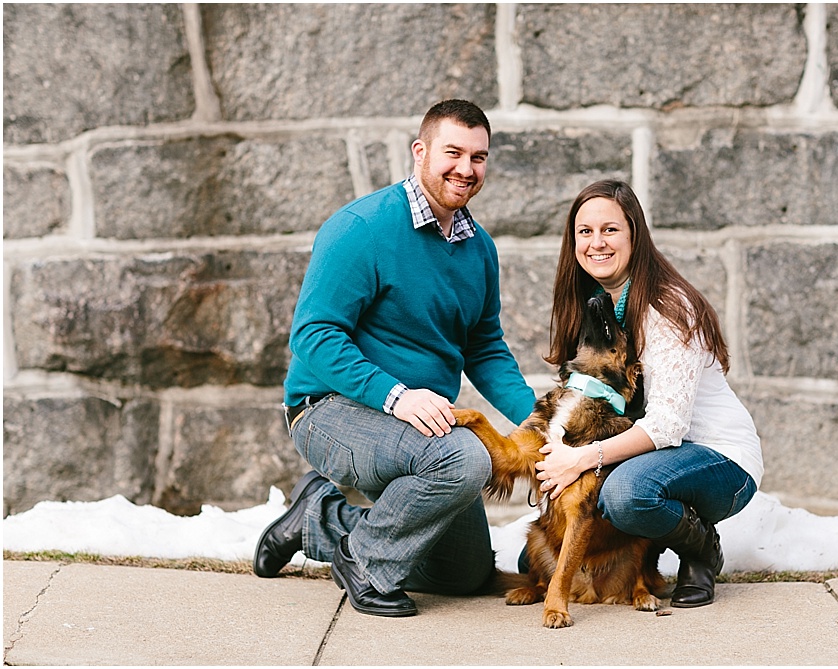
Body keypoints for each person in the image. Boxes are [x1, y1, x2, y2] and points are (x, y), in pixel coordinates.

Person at [253, 100, 536, 618]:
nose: (465, 169)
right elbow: (313, 335)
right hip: (329, 409)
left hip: (416, 429)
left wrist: (543, 423)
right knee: (467, 458)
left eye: (479, 157)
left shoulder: (479, 249)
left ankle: (317, 517)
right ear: (420, 151)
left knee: (464, 574)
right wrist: (396, 395)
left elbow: (485, 348)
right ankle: (363, 562)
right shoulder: (362, 228)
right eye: (453, 152)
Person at [533, 179, 764, 608]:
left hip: (720, 461)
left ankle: (700, 551)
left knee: (624, 493)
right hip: (656, 458)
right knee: (614, 488)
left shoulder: (667, 308)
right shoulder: (598, 303)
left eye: (610, 230)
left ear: (634, 235)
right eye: (585, 231)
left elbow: (667, 426)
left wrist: (583, 458)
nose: (596, 243)